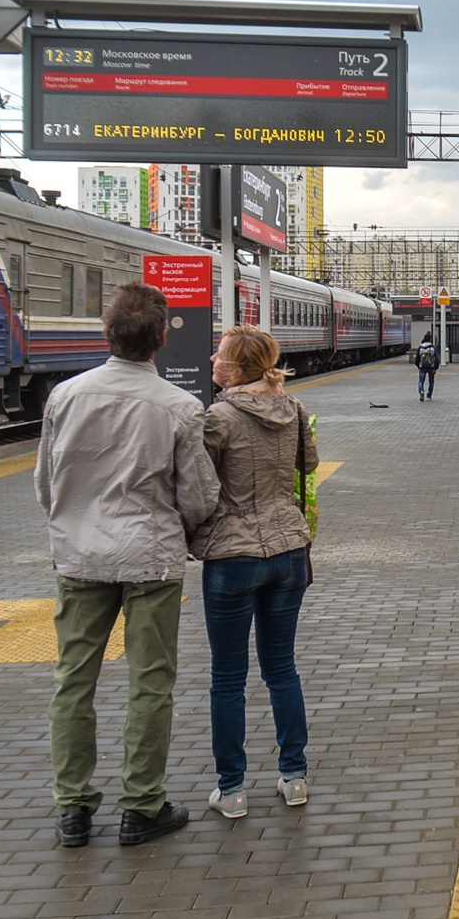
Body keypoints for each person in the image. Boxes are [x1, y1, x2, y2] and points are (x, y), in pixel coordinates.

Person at [38, 281, 219, 849]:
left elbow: (46, 482)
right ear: (162, 338)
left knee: (73, 681)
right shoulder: (182, 408)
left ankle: (72, 808)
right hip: (151, 560)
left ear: (106, 333)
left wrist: (73, 522)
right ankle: (142, 806)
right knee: (150, 683)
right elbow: (199, 496)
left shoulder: (64, 397)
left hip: (79, 557)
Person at [191, 326, 319, 820]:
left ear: (237, 368)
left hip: (232, 554)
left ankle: (232, 789)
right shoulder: (295, 410)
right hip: (288, 548)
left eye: (219, 354)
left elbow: (201, 487)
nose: (212, 357)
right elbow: (307, 465)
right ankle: (294, 777)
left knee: (227, 677)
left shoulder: (217, 418)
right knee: (281, 667)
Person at [415, 332, 439, 400]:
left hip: (422, 367)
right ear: (430, 339)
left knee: (421, 381)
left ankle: (421, 391)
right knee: (431, 382)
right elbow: (437, 359)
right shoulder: (433, 348)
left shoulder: (420, 348)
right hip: (431, 367)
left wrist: (418, 366)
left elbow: (417, 359)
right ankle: (429, 395)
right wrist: (436, 368)